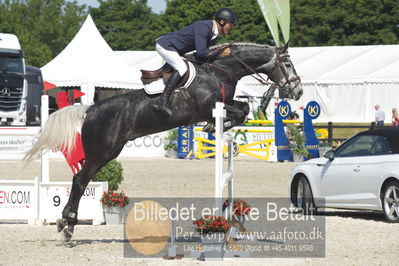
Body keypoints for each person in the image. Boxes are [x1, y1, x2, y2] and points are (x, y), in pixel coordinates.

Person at [153, 8, 237, 115]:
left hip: (176, 50)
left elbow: (202, 56)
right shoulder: (204, 27)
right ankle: (163, 101)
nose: (232, 27)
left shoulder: (213, 35)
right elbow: (202, 52)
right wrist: (220, 53)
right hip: (166, 45)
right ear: (222, 21)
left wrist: (217, 54)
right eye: (231, 24)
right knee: (182, 67)